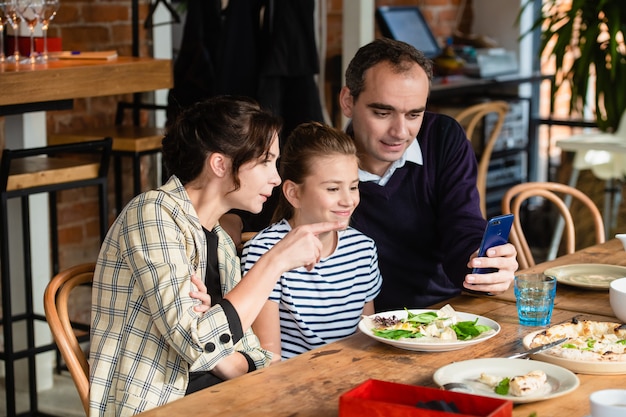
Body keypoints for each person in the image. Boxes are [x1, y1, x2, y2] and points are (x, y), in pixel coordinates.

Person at [89, 96, 344, 416]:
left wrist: (217, 340)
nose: (276, 178)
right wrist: (274, 261)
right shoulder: (151, 214)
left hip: (226, 400)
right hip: (157, 405)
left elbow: (260, 358)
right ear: (220, 164)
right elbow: (196, 340)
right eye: (266, 161)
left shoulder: (220, 242)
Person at [338, 37, 518, 312]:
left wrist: (482, 263)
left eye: (413, 115)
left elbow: (462, 222)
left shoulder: (442, 137)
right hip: (357, 325)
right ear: (348, 102)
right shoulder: (322, 165)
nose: (400, 132)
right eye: (383, 112)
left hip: (442, 311)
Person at [241, 122, 382, 360]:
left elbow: (367, 339)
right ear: (294, 193)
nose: (348, 200)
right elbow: (268, 359)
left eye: (354, 187)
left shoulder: (363, 249)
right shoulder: (264, 252)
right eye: (333, 189)